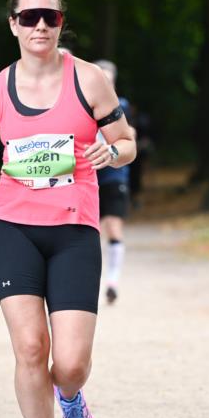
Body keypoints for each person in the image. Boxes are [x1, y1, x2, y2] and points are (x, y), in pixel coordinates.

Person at [0, 0, 136, 418]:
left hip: (74, 228)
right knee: (31, 348)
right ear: (13, 25)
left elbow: (126, 142)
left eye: (50, 17)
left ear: (61, 24)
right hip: (12, 227)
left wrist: (113, 152)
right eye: (29, 17)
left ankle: (72, 398)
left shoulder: (90, 81)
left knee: (71, 362)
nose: (40, 26)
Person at [93, 59, 134, 304]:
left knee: (113, 227)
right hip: (87, 175)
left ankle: (113, 280)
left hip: (114, 175)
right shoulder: (84, 103)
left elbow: (130, 136)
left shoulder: (123, 105)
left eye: (109, 78)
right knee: (89, 231)